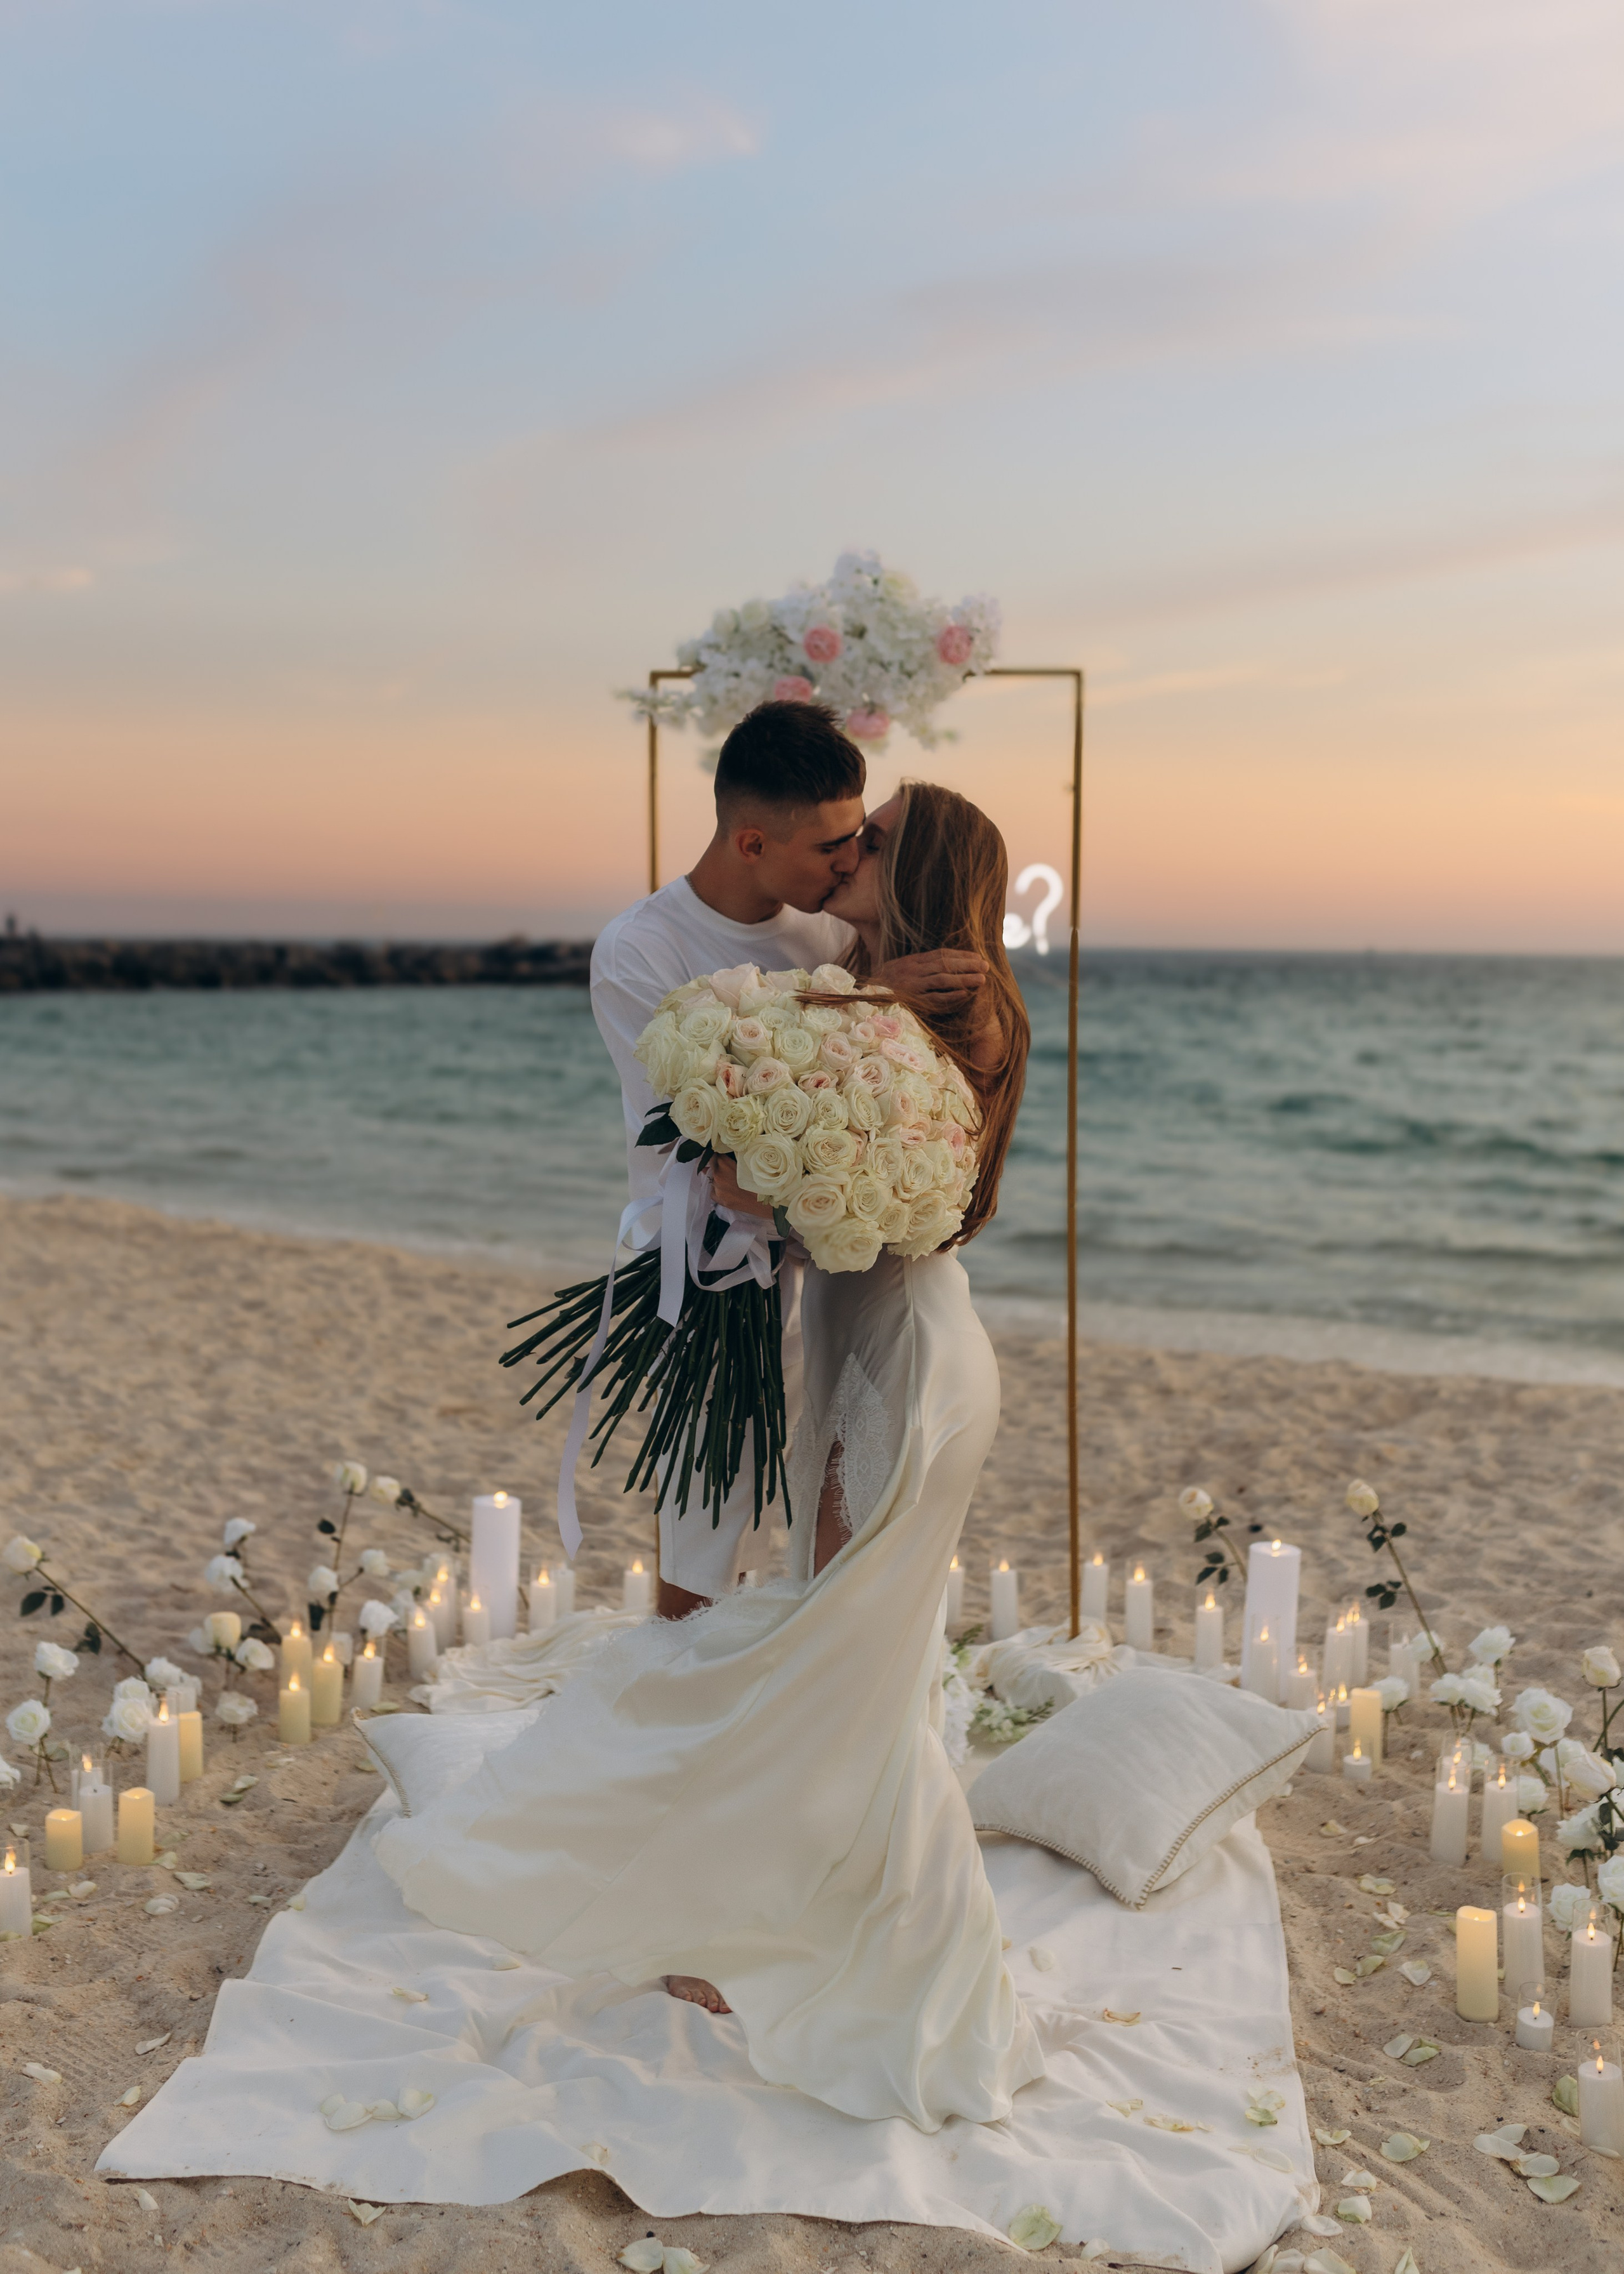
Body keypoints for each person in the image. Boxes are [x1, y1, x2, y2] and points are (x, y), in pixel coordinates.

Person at [376, 779, 1042, 2131]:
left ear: (910, 871)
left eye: (874, 837)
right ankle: (756, 1921)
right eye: (842, 832)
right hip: (868, 1347)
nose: (846, 852)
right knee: (843, 1666)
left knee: (836, 1670)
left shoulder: (942, 1006)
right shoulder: (870, 986)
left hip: (902, 1365)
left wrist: (745, 1172)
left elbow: (861, 1198)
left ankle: (881, 1965)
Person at [591, 699, 985, 1617]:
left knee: (827, 1500)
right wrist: (873, 999)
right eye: (830, 847)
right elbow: (698, 1127)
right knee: (707, 1507)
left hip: (829, 1249)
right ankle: (675, 1703)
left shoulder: (821, 922)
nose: (850, 864)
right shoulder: (640, 950)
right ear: (753, 842)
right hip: (710, 1259)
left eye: (858, 839)